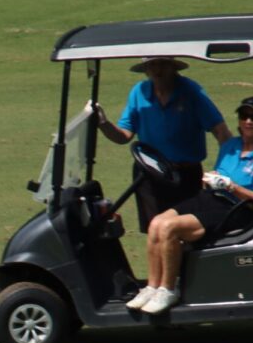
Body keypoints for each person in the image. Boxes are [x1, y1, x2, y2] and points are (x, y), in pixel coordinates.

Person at [127, 96, 253, 315]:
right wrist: (213, 180)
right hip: (210, 197)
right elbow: (218, 177)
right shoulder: (230, 146)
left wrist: (231, 186)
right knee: (156, 223)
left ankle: (168, 289)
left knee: (169, 228)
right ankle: (152, 287)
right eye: (244, 116)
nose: (248, 121)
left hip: (236, 209)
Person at [94, 57, 234, 232]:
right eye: (152, 65)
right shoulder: (139, 92)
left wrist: (224, 172)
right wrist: (103, 123)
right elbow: (123, 136)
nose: (157, 70)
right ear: (146, 70)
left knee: (184, 230)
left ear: (173, 67)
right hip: (149, 174)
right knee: (154, 230)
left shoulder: (192, 92)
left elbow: (221, 132)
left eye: (162, 64)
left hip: (185, 175)